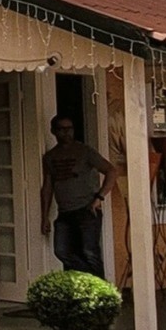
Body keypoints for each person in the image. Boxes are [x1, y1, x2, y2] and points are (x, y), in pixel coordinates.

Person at [40, 113, 116, 277]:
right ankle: (91, 282)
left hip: (86, 209)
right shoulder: (50, 157)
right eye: (62, 129)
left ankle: (100, 294)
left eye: (70, 129)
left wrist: (99, 197)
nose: (66, 133)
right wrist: (44, 216)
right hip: (64, 212)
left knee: (90, 252)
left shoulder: (85, 151)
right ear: (54, 131)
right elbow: (47, 186)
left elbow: (110, 171)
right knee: (61, 251)